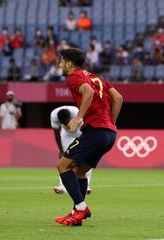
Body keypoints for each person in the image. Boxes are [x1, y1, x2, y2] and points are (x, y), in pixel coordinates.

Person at [55, 48, 122, 226]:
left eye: (62, 61)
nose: (60, 64)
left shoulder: (74, 77)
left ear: (69, 63)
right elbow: (118, 97)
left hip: (96, 131)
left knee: (62, 165)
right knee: (80, 171)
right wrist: (111, 122)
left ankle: (81, 208)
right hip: (109, 134)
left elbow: (89, 93)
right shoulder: (96, 77)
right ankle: (76, 214)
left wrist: (78, 117)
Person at [50, 106, 92, 194]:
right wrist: (61, 150)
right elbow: (56, 133)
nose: (66, 125)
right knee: (64, 161)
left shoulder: (78, 113)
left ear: (71, 117)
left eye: (67, 122)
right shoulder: (54, 115)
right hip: (67, 136)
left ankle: (86, 186)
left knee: (85, 160)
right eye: (63, 124)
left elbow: (87, 128)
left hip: (81, 133)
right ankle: (62, 187)